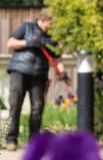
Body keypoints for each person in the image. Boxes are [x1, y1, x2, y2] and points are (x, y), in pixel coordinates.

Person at [4, 12, 62, 149]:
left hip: (39, 75)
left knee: (37, 108)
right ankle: (11, 140)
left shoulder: (51, 38)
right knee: (15, 105)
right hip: (19, 71)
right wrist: (28, 42)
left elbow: (57, 58)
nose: (52, 26)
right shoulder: (26, 27)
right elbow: (10, 44)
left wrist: (62, 72)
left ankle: (33, 142)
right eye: (50, 22)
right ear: (43, 20)